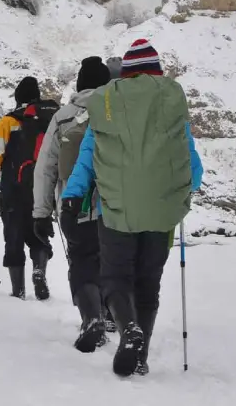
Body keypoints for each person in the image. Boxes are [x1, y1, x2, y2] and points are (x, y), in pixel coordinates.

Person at [60, 39, 204, 377]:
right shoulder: (171, 104)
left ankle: (128, 331)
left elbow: (88, 158)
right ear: (157, 72)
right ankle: (141, 357)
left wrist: (73, 194)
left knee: (114, 278)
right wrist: (179, 194)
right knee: (148, 283)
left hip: (115, 208)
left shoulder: (106, 101)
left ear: (125, 73)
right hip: (162, 212)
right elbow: (191, 165)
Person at [33, 56, 117, 352]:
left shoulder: (64, 116)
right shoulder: (119, 112)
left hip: (74, 205)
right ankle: (112, 315)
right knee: (111, 261)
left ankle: (91, 316)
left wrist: (41, 213)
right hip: (115, 206)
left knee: (82, 261)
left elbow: (46, 168)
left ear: (80, 85)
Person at [0, 76, 60, 300]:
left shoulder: (8, 122)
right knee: (39, 236)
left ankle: (18, 291)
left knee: (13, 238)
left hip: (13, 190)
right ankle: (39, 270)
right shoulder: (51, 121)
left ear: (18, 98)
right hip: (42, 191)